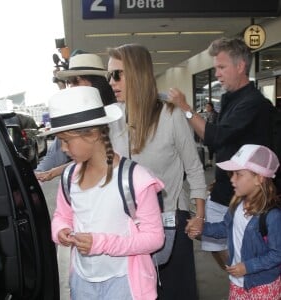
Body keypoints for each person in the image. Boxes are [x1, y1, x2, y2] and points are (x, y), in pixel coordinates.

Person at [44, 86, 165, 300]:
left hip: (124, 283)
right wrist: (61, 229)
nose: (62, 148)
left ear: (92, 133)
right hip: (82, 282)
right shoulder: (69, 176)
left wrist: (101, 243)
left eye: (66, 140)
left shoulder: (135, 178)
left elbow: (155, 238)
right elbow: (62, 215)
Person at [107, 43, 206, 300]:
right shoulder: (113, 118)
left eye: (117, 74)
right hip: (130, 226)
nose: (111, 81)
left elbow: (194, 168)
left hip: (171, 222)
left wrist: (200, 216)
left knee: (174, 292)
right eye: (109, 75)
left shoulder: (170, 115)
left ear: (137, 74)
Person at [168, 37, 274, 270]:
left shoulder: (254, 102)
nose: (216, 73)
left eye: (221, 67)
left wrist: (186, 108)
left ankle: (251, 282)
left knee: (248, 250)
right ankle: (243, 280)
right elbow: (223, 144)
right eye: (215, 67)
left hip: (249, 194)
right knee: (208, 240)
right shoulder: (230, 100)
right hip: (226, 187)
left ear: (240, 67)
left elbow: (215, 136)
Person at [197, 144, 281, 300]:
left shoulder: (272, 216)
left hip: (261, 287)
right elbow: (225, 228)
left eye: (238, 174)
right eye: (231, 174)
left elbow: (277, 254)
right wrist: (201, 228)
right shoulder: (237, 205)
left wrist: (248, 267)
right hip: (237, 282)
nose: (232, 179)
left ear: (259, 178)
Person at [35, 53, 116, 182]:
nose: (71, 86)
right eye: (69, 82)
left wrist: (55, 171)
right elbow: (55, 155)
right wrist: (40, 172)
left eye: (75, 81)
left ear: (96, 81)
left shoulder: (118, 114)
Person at [205, 102, 218, 167]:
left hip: (214, 133)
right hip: (209, 133)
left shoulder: (215, 114)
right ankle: (210, 162)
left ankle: (213, 162)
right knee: (210, 148)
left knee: (214, 148)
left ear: (211, 107)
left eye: (208, 107)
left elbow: (215, 124)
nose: (207, 108)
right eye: (206, 107)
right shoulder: (207, 114)